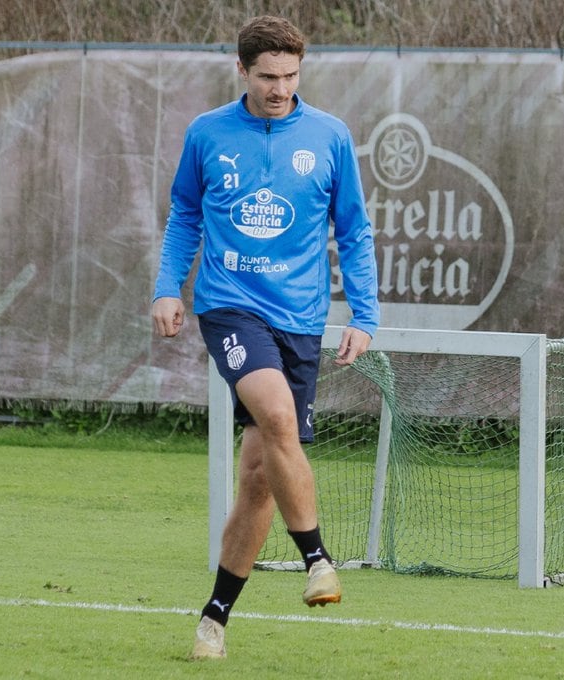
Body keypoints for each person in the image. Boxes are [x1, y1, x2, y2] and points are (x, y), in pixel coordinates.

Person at [152, 15, 380, 660]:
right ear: (242, 71)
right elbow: (186, 215)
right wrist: (169, 286)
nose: (280, 88)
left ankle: (213, 620)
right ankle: (318, 559)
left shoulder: (329, 136)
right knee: (278, 417)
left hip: (301, 320)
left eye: (290, 75)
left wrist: (363, 315)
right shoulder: (209, 133)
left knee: (257, 475)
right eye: (268, 76)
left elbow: (354, 232)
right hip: (229, 308)